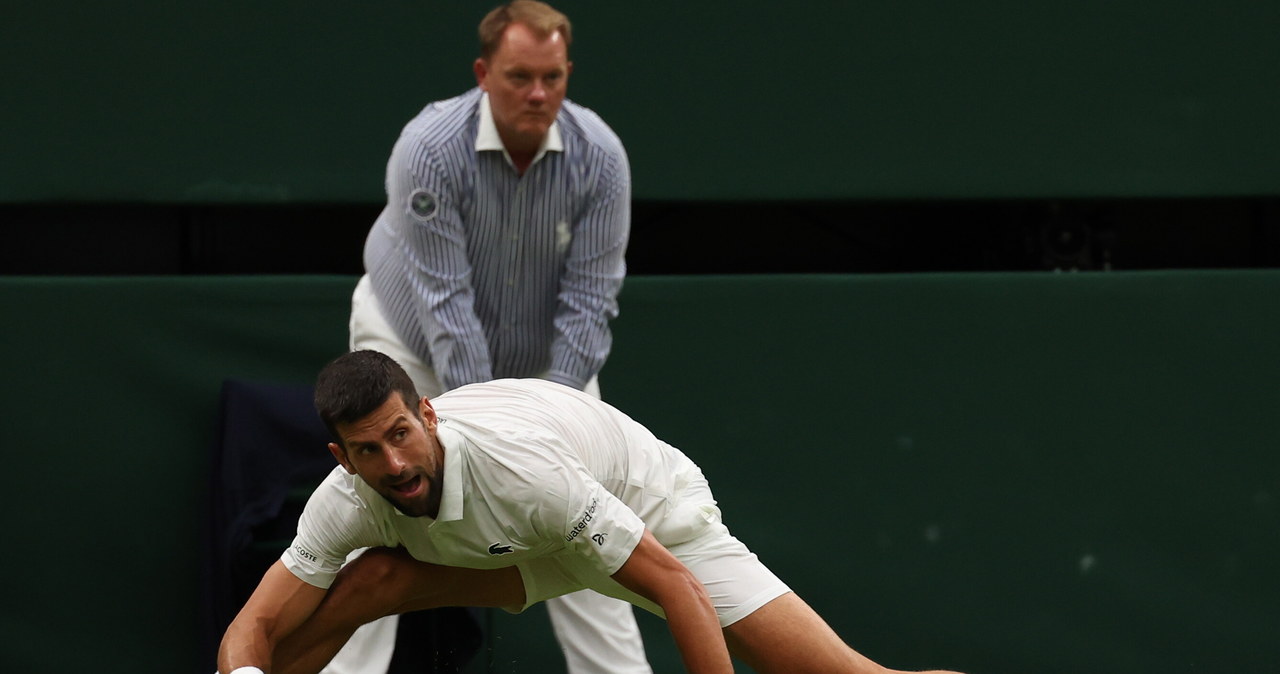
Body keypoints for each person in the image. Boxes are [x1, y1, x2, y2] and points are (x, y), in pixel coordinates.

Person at [217, 350, 965, 674]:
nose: (395, 465)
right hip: (527, 539)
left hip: (649, 510)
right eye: (369, 452)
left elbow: (677, 586)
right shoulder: (345, 502)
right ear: (340, 458)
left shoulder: (523, 473)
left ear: (428, 415)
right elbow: (255, 627)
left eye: (401, 435)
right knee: (367, 583)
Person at [343, 0, 640, 671]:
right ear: (483, 73)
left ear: (568, 74)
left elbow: (591, 303)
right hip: (408, 344)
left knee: (594, 528)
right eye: (518, 77)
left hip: (546, 369)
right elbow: (445, 306)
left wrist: (550, 424)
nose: (538, 94)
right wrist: (508, 431)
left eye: (553, 78)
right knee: (376, 519)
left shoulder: (603, 162)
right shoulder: (428, 150)